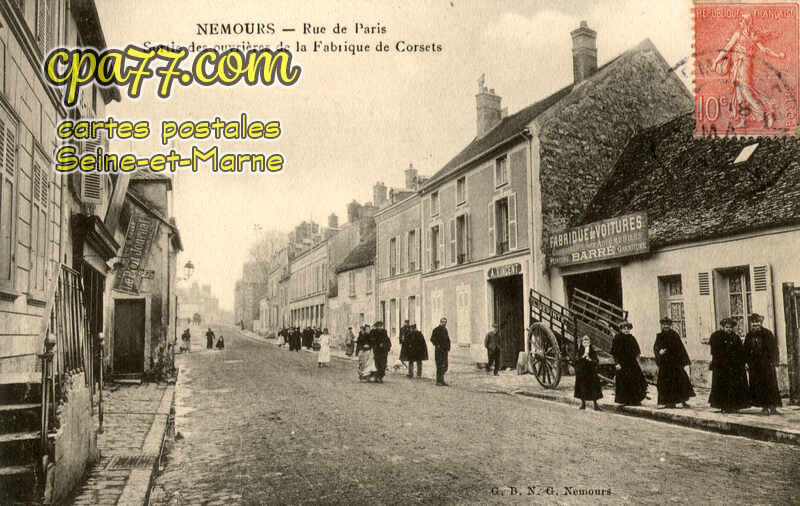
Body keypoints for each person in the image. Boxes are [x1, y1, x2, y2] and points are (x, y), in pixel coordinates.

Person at [711, 13, 785, 129]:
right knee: (739, 93)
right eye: (740, 21)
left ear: (746, 22)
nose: (740, 23)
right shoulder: (739, 34)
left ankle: (766, 113)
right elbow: (727, 48)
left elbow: (764, 49)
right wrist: (716, 60)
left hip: (745, 65)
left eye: (741, 21)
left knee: (746, 91)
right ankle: (743, 120)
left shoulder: (751, 35)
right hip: (737, 65)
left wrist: (778, 55)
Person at [709, 317, 751, 413]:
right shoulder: (716, 336)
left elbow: (740, 351)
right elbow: (715, 351)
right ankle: (723, 405)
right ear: (723, 327)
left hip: (734, 366)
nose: (729, 329)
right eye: (727, 327)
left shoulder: (735, 337)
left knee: (734, 385)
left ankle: (735, 405)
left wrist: (742, 362)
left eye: (730, 327)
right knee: (722, 385)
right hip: (721, 366)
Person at [653, 317, 695, 408]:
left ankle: (683, 400)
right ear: (661, 325)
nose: (666, 326)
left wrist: (684, 361)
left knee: (681, 381)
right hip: (665, 364)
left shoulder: (674, 335)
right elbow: (656, 348)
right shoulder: (659, 336)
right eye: (664, 324)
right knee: (665, 383)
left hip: (675, 363)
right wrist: (659, 353)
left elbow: (681, 348)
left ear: (670, 325)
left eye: (668, 324)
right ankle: (668, 402)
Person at [744, 314, 781, 415]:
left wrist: (775, 361)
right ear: (751, 324)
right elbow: (745, 350)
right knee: (758, 386)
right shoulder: (749, 335)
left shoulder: (768, 334)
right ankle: (764, 407)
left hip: (767, 364)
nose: (756, 326)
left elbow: (774, 348)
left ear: (761, 323)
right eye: (754, 324)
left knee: (771, 385)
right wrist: (746, 362)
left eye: (758, 324)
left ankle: (773, 407)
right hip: (755, 365)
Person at [611, 321, 647, 406]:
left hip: (631, 363)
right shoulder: (617, 338)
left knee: (636, 380)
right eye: (624, 329)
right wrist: (617, 363)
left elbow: (637, 351)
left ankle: (635, 400)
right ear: (621, 329)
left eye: (628, 329)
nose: (626, 330)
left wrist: (637, 360)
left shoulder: (632, 338)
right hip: (622, 364)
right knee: (624, 381)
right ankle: (625, 400)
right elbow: (614, 353)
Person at [574, 335, 602, 410]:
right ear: (582, 343)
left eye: (587, 342)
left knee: (593, 388)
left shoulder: (592, 351)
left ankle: (595, 405)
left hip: (591, 373)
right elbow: (576, 360)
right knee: (582, 388)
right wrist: (583, 357)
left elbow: (596, 361)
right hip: (582, 373)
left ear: (589, 343)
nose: (586, 343)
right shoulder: (580, 351)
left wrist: (590, 359)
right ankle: (583, 404)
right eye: (584, 342)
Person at [431, 317, 451, 386]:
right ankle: (438, 381)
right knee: (439, 366)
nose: (444, 323)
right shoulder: (436, 330)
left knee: (445, 366)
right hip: (439, 351)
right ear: (440, 322)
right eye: (443, 322)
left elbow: (447, 339)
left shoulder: (445, 330)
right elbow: (432, 339)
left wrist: (448, 347)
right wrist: (437, 345)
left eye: (445, 322)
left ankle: (442, 380)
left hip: (445, 351)